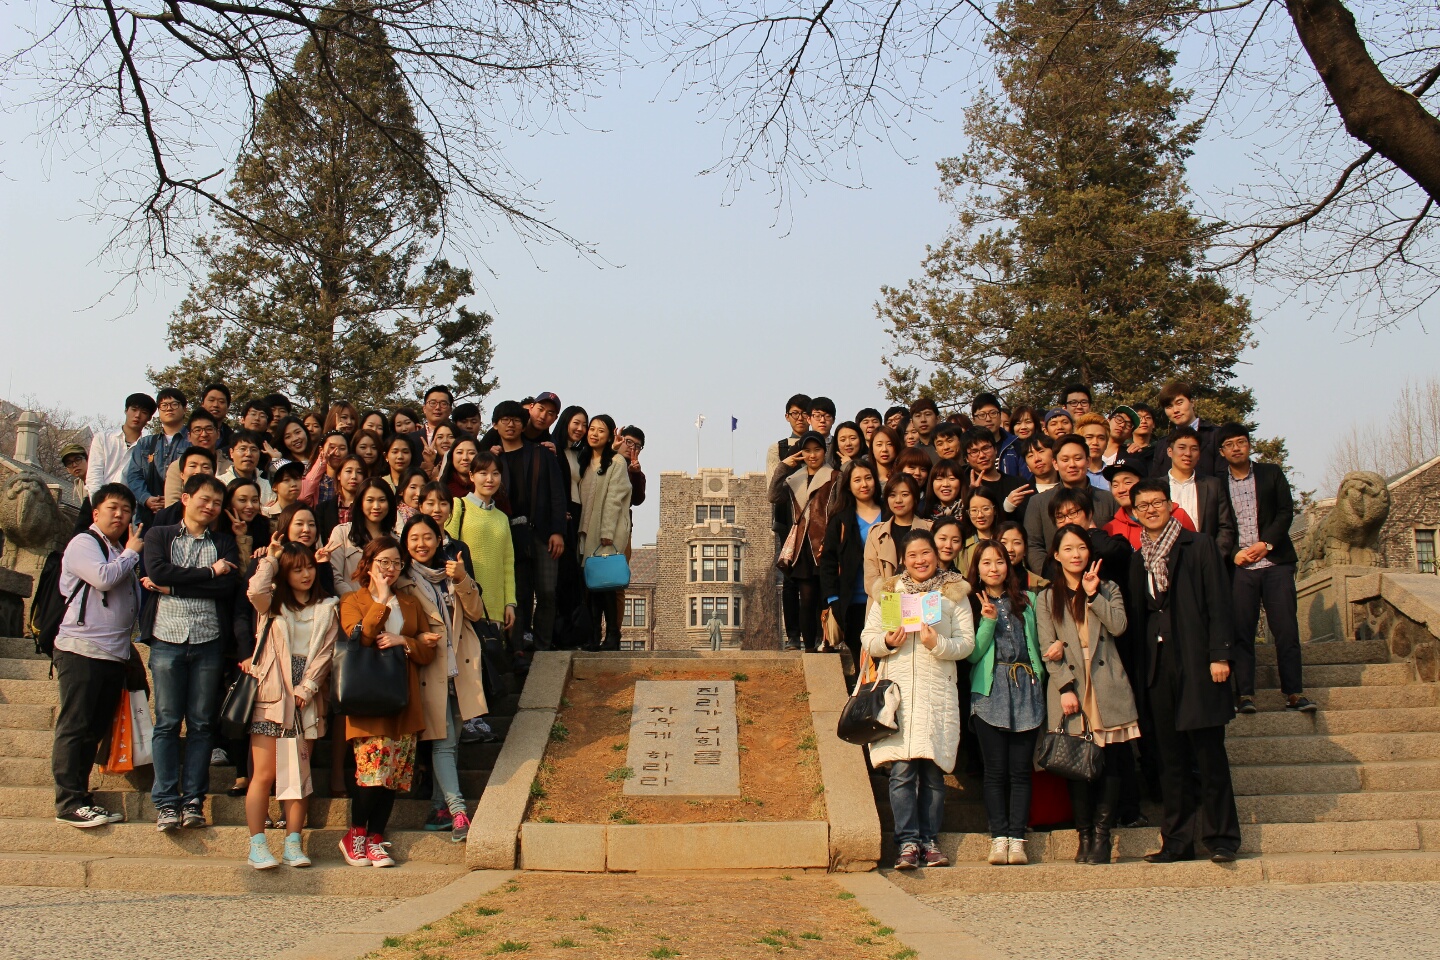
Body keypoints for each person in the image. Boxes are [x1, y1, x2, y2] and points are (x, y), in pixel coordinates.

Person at [1126, 479, 1242, 864]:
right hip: (1158, 670)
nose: (1151, 510)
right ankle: (1176, 841)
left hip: (1199, 663)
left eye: (1157, 503)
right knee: (1169, 759)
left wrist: (1220, 655)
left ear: (1171, 505)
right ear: (1134, 512)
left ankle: (1221, 837)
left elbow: (1219, 603)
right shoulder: (1136, 555)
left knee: (1208, 755)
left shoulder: (1199, 545)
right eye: (1143, 505)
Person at [861, 532, 976, 869]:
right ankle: (907, 842)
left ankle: (930, 840)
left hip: (936, 690)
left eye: (926, 553)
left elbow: (966, 644)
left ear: (937, 556)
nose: (920, 560)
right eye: (912, 555)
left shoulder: (953, 594)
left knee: (933, 773)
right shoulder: (889, 593)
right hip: (898, 694)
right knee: (901, 771)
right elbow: (868, 637)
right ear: (903, 560)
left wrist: (936, 643)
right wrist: (887, 640)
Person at [140, 474, 240, 831]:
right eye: (204, 499)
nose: (210, 507)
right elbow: (157, 569)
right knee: (167, 722)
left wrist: (172, 588)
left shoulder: (224, 541)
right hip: (166, 637)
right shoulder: (159, 535)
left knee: (200, 724)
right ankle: (167, 801)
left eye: (216, 502)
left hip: (208, 640)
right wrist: (208, 573)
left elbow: (227, 587)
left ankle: (193, 799)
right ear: (186, 498)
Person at [336, 537, 439, 867]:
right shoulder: (353, 600)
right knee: (371, 775)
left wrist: (403, 641)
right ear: (368, 564)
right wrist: (380, 599)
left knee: (392, 776)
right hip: (368, 701)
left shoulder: (410, 603)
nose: (390, 569)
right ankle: (354, 835)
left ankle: (376, 837)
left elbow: (427, 649)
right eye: (384, 562)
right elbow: (363, 636)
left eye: (395, 563)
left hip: (403, 700)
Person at [1039, 525, 1138, 865]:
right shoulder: (1047, 597)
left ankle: (1102, 834)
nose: (1076, 554)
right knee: (1076, 763)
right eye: (1068, 549)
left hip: (1106, 681)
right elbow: (1044, 646)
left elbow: (1120, 627)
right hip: (1070, 685)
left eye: (1081, 547)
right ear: (1056, 555)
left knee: (1110, 762)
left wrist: (1093, 596)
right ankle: (1083, 834)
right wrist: (1065, 687)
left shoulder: (1107, 587)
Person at [51, 484, 144, 828]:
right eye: (113, 508)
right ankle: (68, 801)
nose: (120, 515)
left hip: (112, 654)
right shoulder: (84, 544)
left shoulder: (117, 548)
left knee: (93, 728)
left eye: (125, 510)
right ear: (96, 513)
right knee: (76, 726)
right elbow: (103, 579)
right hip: (82, 649)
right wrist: (133, 553)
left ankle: (80, 794)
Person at [241, 541, 339, 869]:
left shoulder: (327, 606)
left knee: (297, 775)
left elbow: (325, 653)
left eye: (309, 566)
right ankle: (257, 845)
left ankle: (293, 843)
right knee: (265, 774)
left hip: (305, 698)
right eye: (297, 569)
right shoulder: (271, 605)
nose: (306, 574)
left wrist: (307, 688)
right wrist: (270, 558)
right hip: (272, 694)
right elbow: (254, 588)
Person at [397, 514, 488, 842]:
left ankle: (438, 811)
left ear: (439, 540)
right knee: (445, 742)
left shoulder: (452, 571)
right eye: (414, 539)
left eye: (428, 537)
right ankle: (458, 810)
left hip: (459, 668)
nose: (421, 544)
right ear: (406, 544)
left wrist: (463, 579)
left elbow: (476, 612)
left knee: (449, 741)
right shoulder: (402, 579)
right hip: (427, 670)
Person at [1217, 423, 1314, 714]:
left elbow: (1286, 511)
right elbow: (1215, 523)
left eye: (1241, 442)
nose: (1236, 448)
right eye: (1230, 444)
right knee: (1241, 631)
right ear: (1222, 452)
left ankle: (1294, 692)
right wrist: (1233, 554)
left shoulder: (1271, 473)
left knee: (1285, 628)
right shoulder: (1216, 483)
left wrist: (1267, 544)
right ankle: (1245, 694)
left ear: (1249, 445)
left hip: (1275, 562)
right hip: (1240, 567)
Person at [966, 538, 1044, 866]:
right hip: (989, 691)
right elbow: (971, 655)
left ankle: (1018, 839)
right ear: (977, 569)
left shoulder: (1029, 600)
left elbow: (1040, 643)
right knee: (995, 771)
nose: (994, 568)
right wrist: (986, 621)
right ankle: (998, 838)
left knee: (1021, 771)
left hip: (1026, 686)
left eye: (999, 561)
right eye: (986, 563)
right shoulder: (969, 603)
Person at [491, 400, 567, 653]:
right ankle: (519, 648)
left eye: (515, 420)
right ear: (495, 425)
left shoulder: (541, 454)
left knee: (546, 592)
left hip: (543, 533)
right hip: (509, 535)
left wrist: (558, 531)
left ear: (524, 424)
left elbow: (557, 494)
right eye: (505, 420)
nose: (511, 425)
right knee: (519, 594)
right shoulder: (493, 462)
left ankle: (543, 646)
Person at [769, 430, 835, 652]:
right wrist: (784, 466)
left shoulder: (835, 476)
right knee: (806, 597)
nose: (812, 455)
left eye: (817, 450)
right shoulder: (793, 479)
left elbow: (837, 509)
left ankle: (825, 640)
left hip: (825, 543)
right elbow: (773, 496)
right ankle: (808, 646)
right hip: (802, 546)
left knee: (825, 596)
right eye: (807, 451)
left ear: (825, 452)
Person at [1024, 435, 1118, 575]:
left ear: (1088, 461)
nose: (1072, 465)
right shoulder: (1038, 502)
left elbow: (1117, 541)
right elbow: (1033, 545)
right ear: (1055, 464)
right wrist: (1051, 574)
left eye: (1078, 458)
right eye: (1065, 460)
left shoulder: (1109, 499)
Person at [578, 415, 633, 650]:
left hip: (605, 533)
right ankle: (592, 635)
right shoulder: (584, 461)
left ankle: (612, 635)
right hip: (585, 530)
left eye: (601, 430)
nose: (594, 434)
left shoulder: (616, 462)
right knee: (591, 587)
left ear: (610, 435)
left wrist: (607, 531)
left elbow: (614, 498)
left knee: (607, 585)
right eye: (591, 429)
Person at [820, 460, 882, 666]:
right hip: (852, 602)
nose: (864, 484)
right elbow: (828, 561)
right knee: (861, 660)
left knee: (884, 657)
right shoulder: (841, 519)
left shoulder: (888, 513)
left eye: (868, 478)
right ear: (848, 485)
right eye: (857, 480)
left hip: (885, 600)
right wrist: (833, 599)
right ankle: (862, 696)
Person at [1165, 426, 1237, 560]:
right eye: (1181, 448)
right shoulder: (1157, 487)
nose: (1188, 453)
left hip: (1206, 560)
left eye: (1194, 449)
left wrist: (1214, 558)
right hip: (1167, 561)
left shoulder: (1213, 485)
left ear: (1199, 455)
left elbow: (1225, 527)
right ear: (1170, 451)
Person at [126, 388, 190, 523]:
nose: (169, 409)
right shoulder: (145, 443)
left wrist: (173, 498)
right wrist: (146, 499)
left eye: (174, 404)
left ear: (184, 408)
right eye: (164, 405)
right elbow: (134, 475)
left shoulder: (193, 442)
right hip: (147, 517)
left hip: (181, 515)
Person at [863, 474, 931, 600]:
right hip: (883, 607)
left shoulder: (930, 530)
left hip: (921, 605)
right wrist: (894, 599)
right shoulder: (876, 533)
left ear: (915, 497)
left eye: (905, 495)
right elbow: (870, 579)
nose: (898, 500)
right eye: (892, 495)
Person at [325, 477, 397, 594]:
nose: (376, 506)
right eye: (370, 500)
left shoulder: (395, 541)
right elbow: (335, 575)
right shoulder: (342, 533)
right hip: (350, 604)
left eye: (382, 500)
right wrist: (356, 602)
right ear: (360, 503)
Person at [1103, 458, 1196, 548]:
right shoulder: (1111, 528)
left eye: (1127, 482)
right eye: (1115, 485)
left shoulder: (1178, 516)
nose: (1121, 490)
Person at [87, 393, 157, 503]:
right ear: (126, 410)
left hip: (126, 507)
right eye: (134, 410)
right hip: (96, 501)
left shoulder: (148, 448)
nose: (137, 415)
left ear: (149, 418)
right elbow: (94, 476)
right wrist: (99, 505)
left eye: (144, 412)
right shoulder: (103, 438)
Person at [1150, 381, 1222, 479]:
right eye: (1169, 406)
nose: (1175, 410)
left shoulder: (1216, 435)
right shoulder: (1162, 444)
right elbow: (1156, 481)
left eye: (1179, 403)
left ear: (1192, 402)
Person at [163, 409, 231, 506]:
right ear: (189, 436)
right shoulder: (177, 466)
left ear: (218, 434)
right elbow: (172, 504)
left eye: (209, 429)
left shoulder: (229, 467)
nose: (204, 434)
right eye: (197, 430)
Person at [315, 455, 366, 544]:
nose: (354, 476)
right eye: (348, 471)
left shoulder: (367, 507)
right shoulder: (323, 509)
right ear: (339, 475)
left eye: (359, 472)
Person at [218, 430, 272, 505]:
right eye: (242, 449)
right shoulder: (220, 483)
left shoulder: (266, 485)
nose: (248, 454)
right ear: (231, 453)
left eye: (254, 450)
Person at [957, 486, 1003, 573]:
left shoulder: (1005, 541)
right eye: (974, 510)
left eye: (985, 509)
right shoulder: (961, 546)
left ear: (995, 510)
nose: (980, 515)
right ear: (968, 513)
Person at [300, 431, 350, 507]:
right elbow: (303, 496)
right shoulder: (315, 480)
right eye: (332, 447)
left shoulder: (350, 480)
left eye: (342, 448)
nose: (337, 453)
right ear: (321, 450)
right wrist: (321, 462)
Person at [996, 521, 1045, 591]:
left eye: (1016, 543)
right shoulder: (983, 582)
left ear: (1025, 549)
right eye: (1003, 543)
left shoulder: (1039, 585)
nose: (1010, 549)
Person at [1074, 413, 1113, 490]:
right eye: (1089, 437)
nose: (1095, 442)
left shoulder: (1113, 475)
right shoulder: (1072, 474)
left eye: (1101, 438)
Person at [200, 383, 233, 452]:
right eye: (211, 400)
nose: (215, 405)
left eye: (221, 401)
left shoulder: (233, 440)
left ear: (227, 408)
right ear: (202, 404)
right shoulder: (183, 434)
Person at [909, 397, 941, 462]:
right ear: (912, 422)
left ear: (937, 419)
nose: (923, 420)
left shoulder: (947, 448)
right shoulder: (911, 453)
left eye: (927, 414)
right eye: (918, 416)